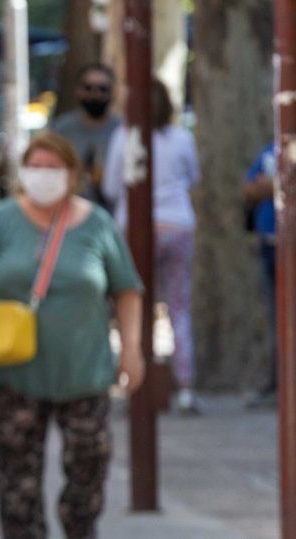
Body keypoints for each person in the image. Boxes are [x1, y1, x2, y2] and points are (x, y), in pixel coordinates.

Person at [0, 132, 144, 539]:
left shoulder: (97, 223)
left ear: (73, 174)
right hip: (14, 380)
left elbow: (127, 290)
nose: (43, 175)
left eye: (53, 168)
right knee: (17, 491)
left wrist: (132, 350)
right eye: (36, 166)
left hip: (84, 376)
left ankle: (79, 529)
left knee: (89, 474)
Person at [101, 79, 201, 414]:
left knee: (132, 302)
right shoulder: (182, 138)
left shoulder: (124, 137)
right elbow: (193, 177)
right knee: (179, 306)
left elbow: (113, 186)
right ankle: (185, 386)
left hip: (135, 226)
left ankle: (134, 378)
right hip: (177, 224)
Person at [242, 137, 296, 409]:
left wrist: (270, 185)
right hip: (269, 241)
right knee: (275, 314)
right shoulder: (268, 149)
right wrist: (270, 186)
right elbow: (249, 188)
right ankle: (279, 379)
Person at [51, 63, 122, 206]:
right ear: (78, 90)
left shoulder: (123, 129)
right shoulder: (62, 129)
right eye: (88, 88)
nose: (96, 94)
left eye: (103, 89)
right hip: (69, 211)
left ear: (112, 91)